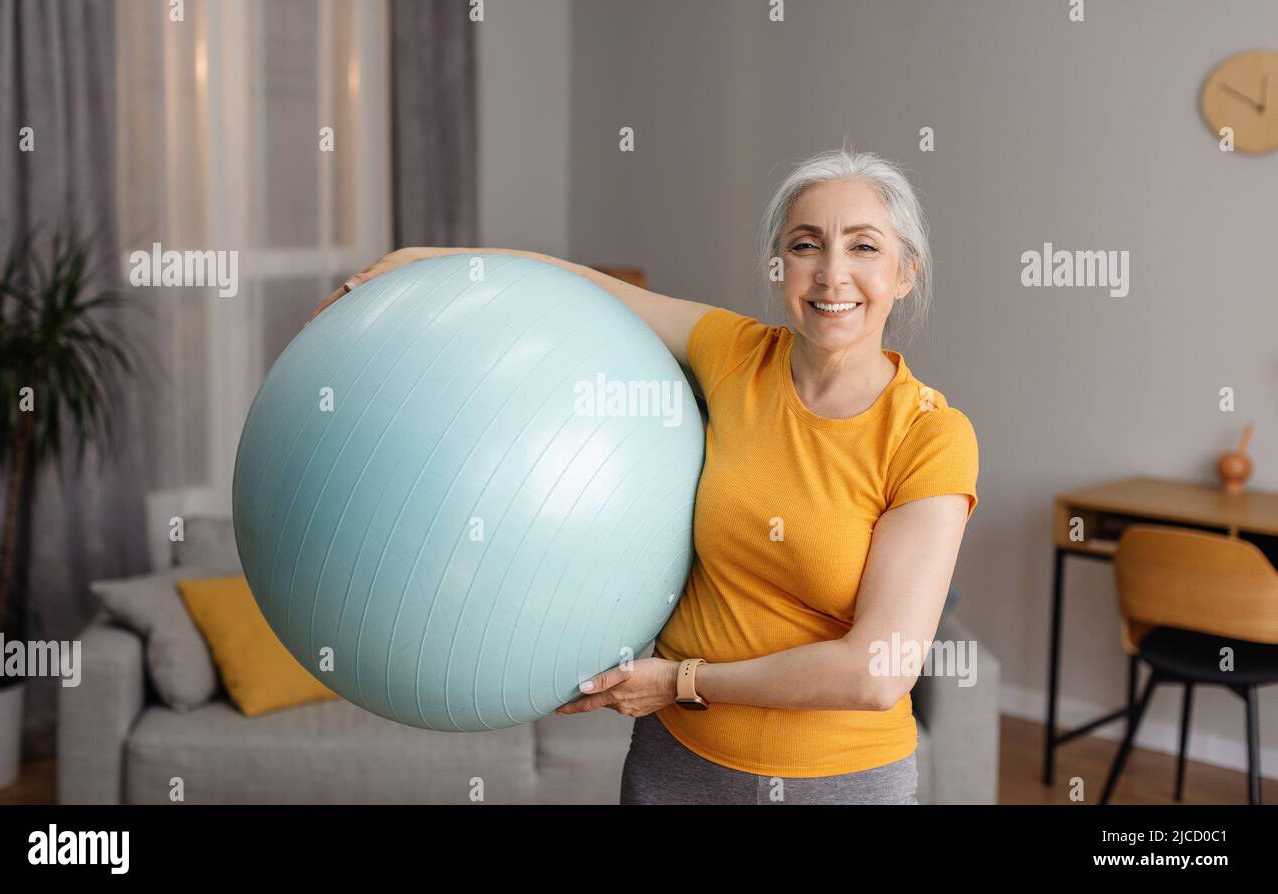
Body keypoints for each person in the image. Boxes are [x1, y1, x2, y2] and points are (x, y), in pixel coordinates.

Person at [309, 146, 979, 805]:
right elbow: (578, 287)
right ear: (780, 265)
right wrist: (425, 264)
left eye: (864, 247)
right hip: (678, 766)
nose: (832, 273)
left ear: (905, 273)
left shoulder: (929, 436)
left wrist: (681, 682)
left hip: (839, 782)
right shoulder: (736, 356)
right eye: (807, 245)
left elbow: (876, 672)